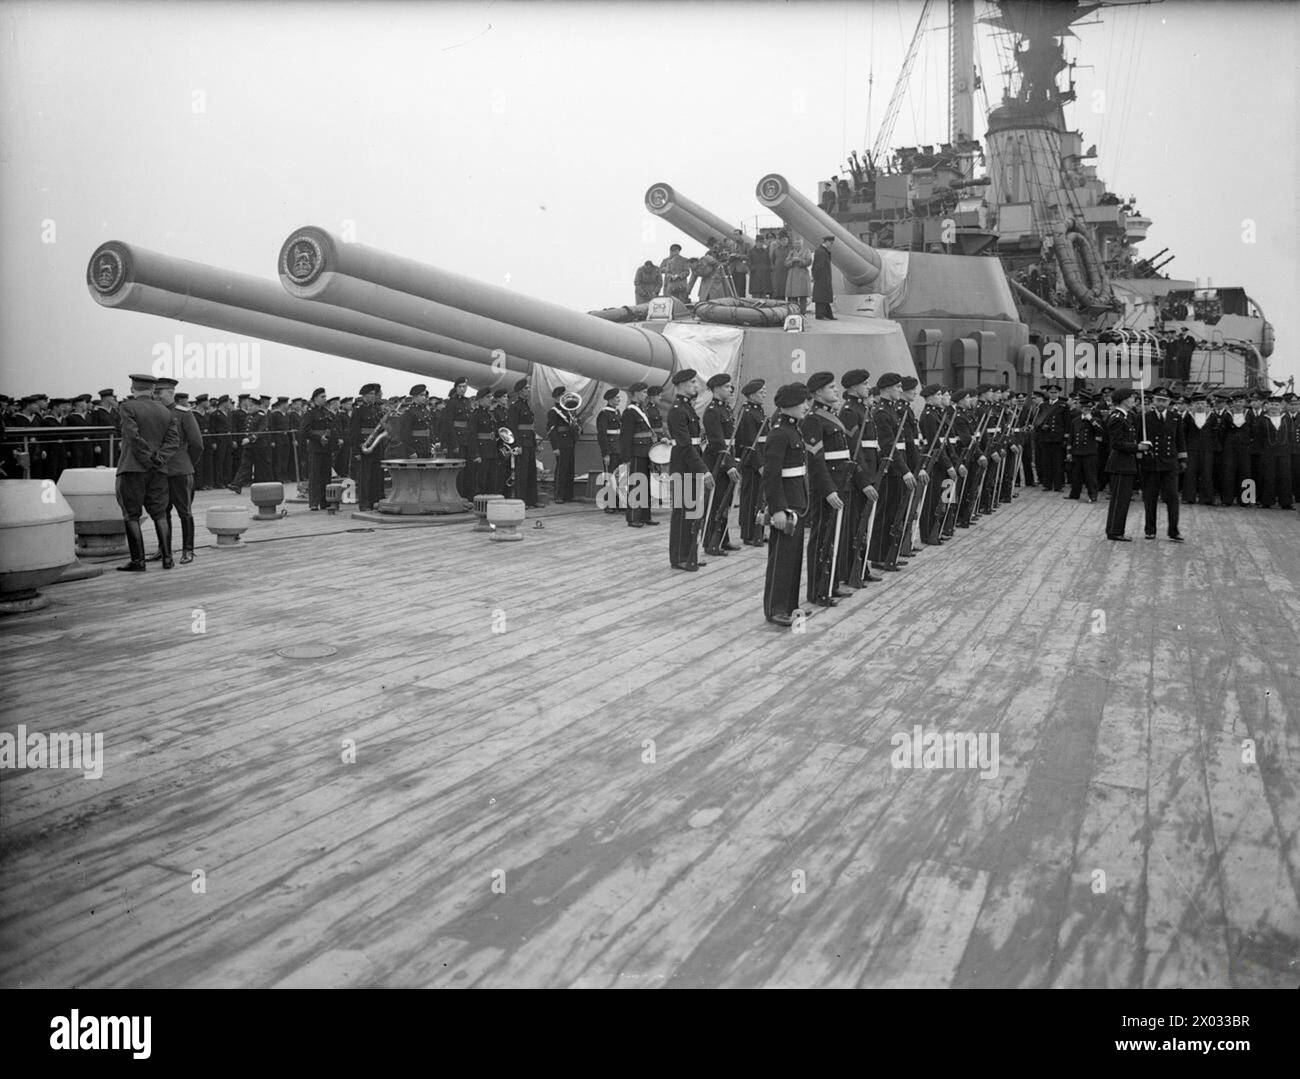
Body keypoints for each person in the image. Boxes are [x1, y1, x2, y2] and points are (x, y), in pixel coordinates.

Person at [114, 373, 182, 572]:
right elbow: (173, 441)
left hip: (132, 468)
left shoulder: (127, 407)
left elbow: (132, 436)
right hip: (158, 470)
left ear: (133, 389)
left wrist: (146, 458)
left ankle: (138, 561)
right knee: (159, 513)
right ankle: (167, 558)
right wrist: (158, 458)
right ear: (152, 390)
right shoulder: (165, 411)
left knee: (131, 515)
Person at [762, 383, 813, 626]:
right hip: (786, 506)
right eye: (803, 401)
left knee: (793, 559)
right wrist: (777, 509)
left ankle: (791, 605)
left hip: (797, 502)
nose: (807, 406)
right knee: (781, 559)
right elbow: (771, 476)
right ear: (790, 404)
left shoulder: (794, 431)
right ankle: (775, 608)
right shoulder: (779, 434)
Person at [800, 371, 851, 606]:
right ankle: (817, 590)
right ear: (818, 392)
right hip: (826, 487)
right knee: (822, 536)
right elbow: (816, 461)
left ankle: (831, 584)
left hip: (839, 482)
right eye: (831, 387)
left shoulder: (831, 416)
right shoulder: (813, 419)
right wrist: (829, 490)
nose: (836, 390)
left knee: (834, 535)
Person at [147, 380, 203, 565]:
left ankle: (188, 550)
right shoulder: (154, 414)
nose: (156, 396)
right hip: (160, 471)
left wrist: (187, 463)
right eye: (154, 392)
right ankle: (164, 549)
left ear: (171, 392)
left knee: (184, 511)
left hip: (180, 470)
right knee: (162, 512)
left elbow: (197, 444)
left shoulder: (183, 414)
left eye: (159, 392)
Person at [838, 370, 884, 581]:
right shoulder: (849, 411)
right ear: (854, 387)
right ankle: (850, 570)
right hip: (859, 479)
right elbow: (853, 449)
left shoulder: (862, 408)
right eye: (865, 383)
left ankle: (861, 567)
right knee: (855, 525)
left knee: (864, 524)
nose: (868, 386)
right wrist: (864, 481)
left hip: (870, 473)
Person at [667, 369, 713, 571]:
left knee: (692, 513)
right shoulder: (678, 410)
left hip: (690, 465)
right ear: (680, 385)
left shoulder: (687, 408)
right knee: (682, 514)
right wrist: (704, 470)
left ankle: (689, 553)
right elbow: (685, 446)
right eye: (692, 382)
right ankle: (679, 557)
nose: (697, 386)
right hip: (683, 467)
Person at [1139, 385, 1186, 540]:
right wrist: (1140, 455)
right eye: (1158, 400)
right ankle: (1150, 529)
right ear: (1153, 401)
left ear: (1169, 402)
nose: (1161, 403)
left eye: (1164, 401)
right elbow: (1139, 439)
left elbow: (1180, 439)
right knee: (1150, 498)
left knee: (1172, 497)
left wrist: (1182, 459)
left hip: (1169, 464)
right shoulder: (1145, 417)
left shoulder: (1175, 417)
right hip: (1151, 464)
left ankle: (1174, 530)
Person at [701, 373, 741, 555]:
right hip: (718, 461)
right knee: (716, 504)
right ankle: (711, 542)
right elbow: (717, 441)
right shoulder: (712, 411)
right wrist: (729, 464)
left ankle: (723, 538)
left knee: (725, 501)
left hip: (727, 458)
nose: (730, 389)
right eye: (726, 387)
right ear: (716, 389)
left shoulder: (725, 409)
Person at [734, 379, 769, 546]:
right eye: (761, 392)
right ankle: (748, 533)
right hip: (753, 463)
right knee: (751, 499)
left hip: (762, 460)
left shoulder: (758, 411)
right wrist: (760, 465)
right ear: (753, 394)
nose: (764, 394)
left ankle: (759, 531)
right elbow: (750, 443)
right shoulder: (747, 413)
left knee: (760, 499)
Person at [1104, 388, 1141, 541]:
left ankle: (1116, 529)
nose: (1134, 400)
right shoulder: (1117, 418)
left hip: (1126, 463)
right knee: (1119, 499)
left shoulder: (1127, 416)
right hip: (1120, 463)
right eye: (1132, 397)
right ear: (1124, 399)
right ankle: (1114, 531)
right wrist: (1137, 447)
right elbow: (1117, 443)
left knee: (1123, 499)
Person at [619, 382, 657, 527]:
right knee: (636, 485)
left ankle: (645, 516)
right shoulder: (630, 412)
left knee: (646, 485)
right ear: (635, 393)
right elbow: (625, 437)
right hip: (636, 453)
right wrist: (626, 458)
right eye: (643, 392)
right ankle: (633, 517)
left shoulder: (641, 410)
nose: (645, 395)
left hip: (645, 452)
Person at [300, 388, 339, 510]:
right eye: (322, 397)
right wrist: (318, 437)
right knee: (315, 475)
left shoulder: (328, 413)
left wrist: (333, 445)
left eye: (325, 396)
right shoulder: (310, 414)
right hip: (316, 448)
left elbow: (333, 430)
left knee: (326, 475)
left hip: (326, 448)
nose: (324, 399)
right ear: (315, 398)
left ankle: (325, 501)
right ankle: (314, 502)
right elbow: (304, 431)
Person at [349, 383, 385, 512]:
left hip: (375, 444)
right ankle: (364, 503)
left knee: (376, 475)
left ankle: (374, 501)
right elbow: (354, 431)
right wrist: (356, 451)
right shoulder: (359, 410)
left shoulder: (375, 409)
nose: (373, 396)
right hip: (364, 444)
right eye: (370, 394)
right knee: (365, 476)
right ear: (364, 395)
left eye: (374, 394)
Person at [1256, 395, 1294, 509]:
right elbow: (1259, 437)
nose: (1274, 407)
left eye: (1276, 405)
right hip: (1268, 453)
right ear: (1268, 406)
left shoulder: (1286, 418)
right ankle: (1267, 501)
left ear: (1281, 407)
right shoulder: (1263, 419)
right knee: (1268, 477)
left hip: (1284, 452)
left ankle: (1286, 503)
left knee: (1285, 477)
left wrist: (1288, 450)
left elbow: (1290, 436)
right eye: (1272, 404)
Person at [1066, 393, 1104, 502]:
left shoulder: (1095, 420)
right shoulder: (1076, 420)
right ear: (1081, 408)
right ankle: (1074, 494)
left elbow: (1100, 431)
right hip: (1077, 451)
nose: (1086, 410)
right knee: (1076, 475)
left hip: (1089, 452)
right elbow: (1071, 437)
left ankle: (1093, 495)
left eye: (1088, 408)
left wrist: (1091, 420)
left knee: (1090, 476)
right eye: (1084, 408)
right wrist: (1069, 452)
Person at [507, 377, 539, 507]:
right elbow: (512, 427)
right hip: (521, 443)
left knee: (531, 471)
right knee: (521, 473)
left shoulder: (526, 405)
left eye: (529, 388)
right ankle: (521, 500)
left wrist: (535, 443)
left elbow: (530, 428)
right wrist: (516, 445)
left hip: (529, 442)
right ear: (520, 391)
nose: (529, 390)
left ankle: (531, 500)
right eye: (526, 388)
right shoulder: (515, 407)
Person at [1181, 394, 1218, 505]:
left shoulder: (1212, 416)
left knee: (1206, 473)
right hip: (1191, 449)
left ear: (1206, 405)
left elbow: (1215, 433)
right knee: (1190, 473)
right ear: (1193, 405)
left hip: (1207, 449)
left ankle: (1206, 498)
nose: (1200, 406)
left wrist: (1213, 447)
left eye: (1202, 403)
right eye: (1197, 404)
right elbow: (1184, 433)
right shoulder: (1188, 417)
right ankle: (1189, 497)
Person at [546, 385, 579, 503]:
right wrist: (555, 447)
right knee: (561, 469)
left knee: (570, 469)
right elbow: (551, 431)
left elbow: (574, 426)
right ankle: (559, 495)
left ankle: (568, 495)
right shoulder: (553, 412)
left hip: (569, 441)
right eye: (561, 396)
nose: (564, 398)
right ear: (556, 398)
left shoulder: (569, 411)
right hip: (561, 443)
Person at [1034, 383, 1068, 491]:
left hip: (1058, 438)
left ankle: (1058, 485)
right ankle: (1047, 484)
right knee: (1046, 462)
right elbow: (1037, 421)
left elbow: (1067, 423)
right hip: (1046, 437)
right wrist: (1042, 426)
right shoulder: (1043, 406)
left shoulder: (1063, 405)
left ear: (1058, 393)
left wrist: (1066, 438)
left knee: (1058, 463)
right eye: (1051, 393)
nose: (1053, 394)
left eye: (1055, 393)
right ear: (1048, 393)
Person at [596, 387, 624, 514]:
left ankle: (618, 502)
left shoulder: (617, 412)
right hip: (611, 449)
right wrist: (605, 453)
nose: (619, 399)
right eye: (617, 397)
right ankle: (609, 503)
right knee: (610, 476)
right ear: (610, 399)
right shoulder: (604, 414)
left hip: (619, 448)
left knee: (619, 477)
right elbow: (602, 435)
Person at [812, 236, 837, 320]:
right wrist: (817, 277)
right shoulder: (821, 252)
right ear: (827, 242)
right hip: (822, 278)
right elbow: (818, 266)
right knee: (822, 296)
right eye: (831, 243)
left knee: (824, 296)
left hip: (823, 277)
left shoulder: (822, 251)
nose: (831, 245)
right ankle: (820, 315)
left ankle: (827, 314)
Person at [784, 242, 812, 316]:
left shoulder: (807, 251)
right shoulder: (791, 252)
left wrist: (799, 260)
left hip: (803, 274)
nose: (797, 245)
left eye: (799, 243)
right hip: (792, 275)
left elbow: (809, 261)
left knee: (803, 296)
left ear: (802, 243)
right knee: (793, 295)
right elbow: (786, 263)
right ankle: (794, 312)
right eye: (796, 243)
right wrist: (792, 261)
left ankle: (803, 312)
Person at [769, 231, 791, 300]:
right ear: (779, 241)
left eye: (785, 240)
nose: (783, 241)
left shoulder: (791, 250)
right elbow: (772, 260)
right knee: (780, 294)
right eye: (782, 240)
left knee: (790, 294)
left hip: (788, 274)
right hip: (778, 275)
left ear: (788, 240)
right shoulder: (776, 250)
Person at [729, 230, 749, 297]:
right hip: (732, 269)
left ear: (740, 235)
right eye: (734, 234)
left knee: (741, 289)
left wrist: (738, 256)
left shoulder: (746, 244)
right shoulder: (731, 245)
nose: (735, 236)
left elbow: (748, 256)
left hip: (741, 269)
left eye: (737, 234)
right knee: (733, 289)